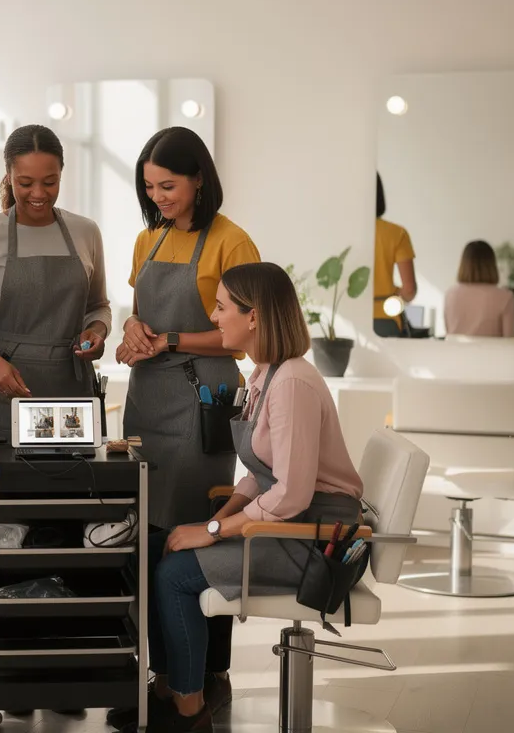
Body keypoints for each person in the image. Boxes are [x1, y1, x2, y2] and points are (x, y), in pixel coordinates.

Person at [125, 263, 365, 733]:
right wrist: (220, 516)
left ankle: (190, 713)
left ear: (253, 316)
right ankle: (167, 687)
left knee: (174, 574)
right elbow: (262, 473)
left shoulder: (292, 383)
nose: (214, 318)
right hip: (289, 522)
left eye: (220, 308)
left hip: (314, 538)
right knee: (152, 550)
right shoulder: (265, 375)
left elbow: (291, 493)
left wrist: (213, 530)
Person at [108, 127, 259, 728]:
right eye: (149, 187)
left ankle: (208, 677)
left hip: (203, 400)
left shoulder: (231, 241)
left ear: (199, 179)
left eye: (167, 186)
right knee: (147, 537)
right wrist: (132, 332)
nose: (158, 197)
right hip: (148, 400)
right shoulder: (149, 238)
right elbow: (139, 312)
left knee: (195, 534)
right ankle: (164, 677)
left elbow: (241, 333)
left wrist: (169, 338)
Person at [0, 124, 112, 521]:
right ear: (8, 175)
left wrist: (97, 332)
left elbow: (99, 306)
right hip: (5, 390)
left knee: (69, 514)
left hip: (71, 391)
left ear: (61, 175)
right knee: (1, 519)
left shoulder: (86, 232)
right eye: (25, 183)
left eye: (49, 182)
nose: (38, 193)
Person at [372, 173, 417, 337]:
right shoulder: (396, 233)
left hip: (344, 322)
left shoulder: (339, 233)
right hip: (385, 320)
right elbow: (409, 290)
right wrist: (396, 293)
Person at [445, 240, 514, 338]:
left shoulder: (450, 294)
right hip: (491, 349)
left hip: (455, 348)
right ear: (492, 265)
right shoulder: (506, 297)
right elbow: (509, 340)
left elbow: (449, 334)